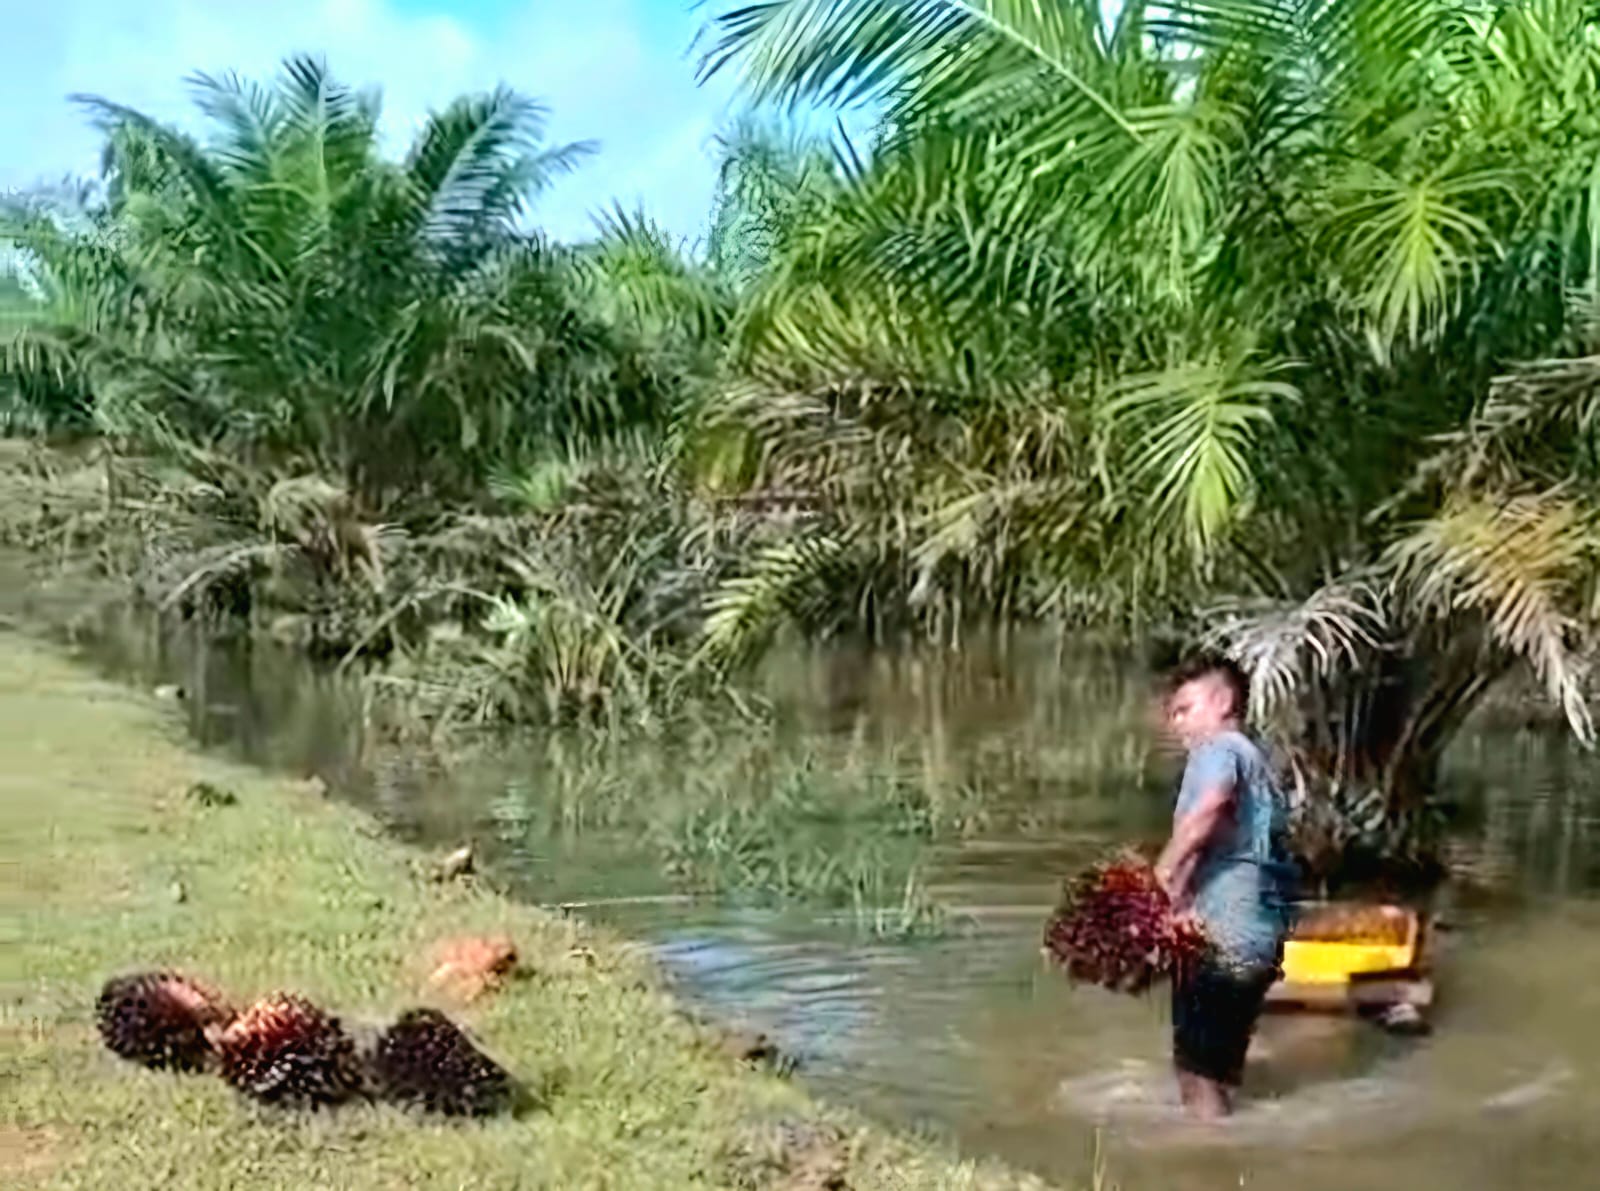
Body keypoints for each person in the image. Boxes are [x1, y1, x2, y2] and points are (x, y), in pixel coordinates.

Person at [1153, 654, 1296, 1120]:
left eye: (1184, 709)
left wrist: (1158, 880)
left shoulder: (1220, 750)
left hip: (1226, 937)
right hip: (1254, 939)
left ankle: (1208, 1165)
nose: (1177, 725)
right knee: (1205, 1070)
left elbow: (1207, 814)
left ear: (1222, 701)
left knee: (1199, 1078)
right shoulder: (1258, 764)